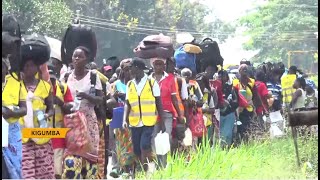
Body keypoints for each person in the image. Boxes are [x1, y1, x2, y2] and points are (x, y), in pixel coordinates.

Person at [62, 46, 104, 179]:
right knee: (72, 158)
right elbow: (58, 96)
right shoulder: (66, 76)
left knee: (90, 159)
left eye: (80, 57)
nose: (76, 59)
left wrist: (86, 96)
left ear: (87, 59)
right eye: (75, 56)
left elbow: (100, 99)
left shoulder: (93, 76)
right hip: (71, 122)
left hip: (89, 122)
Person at [122, 58, 164, 172]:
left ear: (138, 68)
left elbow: (159, 103)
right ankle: (140, 168)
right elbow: (127, 104)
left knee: (144, 145)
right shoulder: (130, 84)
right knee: (136, 149)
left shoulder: (151, 83)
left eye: (131, 67)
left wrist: (162, 122)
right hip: (134, 122)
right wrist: (124, 120)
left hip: (148, 121)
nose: (129, 70)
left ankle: (145, 170)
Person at [20, 58, 55, 179]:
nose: (27, 68)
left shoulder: (45, 86)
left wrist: (47, 115)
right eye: (25, 66)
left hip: (41, 135)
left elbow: (51, 108)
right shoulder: (17, 86)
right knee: (26, 172)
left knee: (44, 172)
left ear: (37, 68)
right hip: (23, 136)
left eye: (31, 66)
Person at [150, 57, 185, 168]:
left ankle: (162, 164)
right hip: (152, 113)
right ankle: (156, 162)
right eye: (157, 64)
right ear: (153, 65)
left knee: (166, 137)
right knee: (154, 138)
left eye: (161, 64)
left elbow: (174, 98)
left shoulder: (170, 79)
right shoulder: (148, 79)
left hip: (167, 113)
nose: (159, 67)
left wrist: (180, 114)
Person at [47, 59, 74, 179]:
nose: (50, 81)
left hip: (59, 131)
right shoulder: (36, 88)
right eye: (48, 78)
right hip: (41, 133)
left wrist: (60, 103)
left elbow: (71, 108)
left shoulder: (63, 88)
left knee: (58, 169)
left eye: (52, 78)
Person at [109, 58, 136, 178]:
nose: (129, 72)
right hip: (119, 114)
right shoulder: (116, 85)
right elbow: (111, 101)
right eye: (126, 69)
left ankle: (129, 167)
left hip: (134, 115)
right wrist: (114, 97)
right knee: (118, 141)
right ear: (122, 71)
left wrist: (126, 96)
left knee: (131, 142)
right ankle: (117, 166)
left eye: (131, 69)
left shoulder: (136, 84)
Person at [2, 55, 27, 179]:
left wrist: (10, 113)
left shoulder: (16, 82)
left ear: (6, 68)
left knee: (14, 168)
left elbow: (24, 109)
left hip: (11, 132)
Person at [232, 64, 255, 143]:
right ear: (239, 71)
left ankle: (246, 142)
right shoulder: (235, 82)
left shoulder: (251, 82)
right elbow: (234, 94)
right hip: (239, 109)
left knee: (247, 126)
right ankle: (240, 141)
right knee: (239, 126)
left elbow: (256, 95)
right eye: (242, 69)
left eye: (246, 69)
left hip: (249, 108)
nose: (244, 70)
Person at [218, 70, 238, 148]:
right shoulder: (214, 88)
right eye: (219, 76)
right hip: (218, 115)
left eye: (223, 76)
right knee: (219, 135)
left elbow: (236, 102)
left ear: (227, 78)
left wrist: (229, 103)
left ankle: (226, 150)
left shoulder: (231, 88)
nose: (221, 78)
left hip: (229, 114)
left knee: (227, 134)